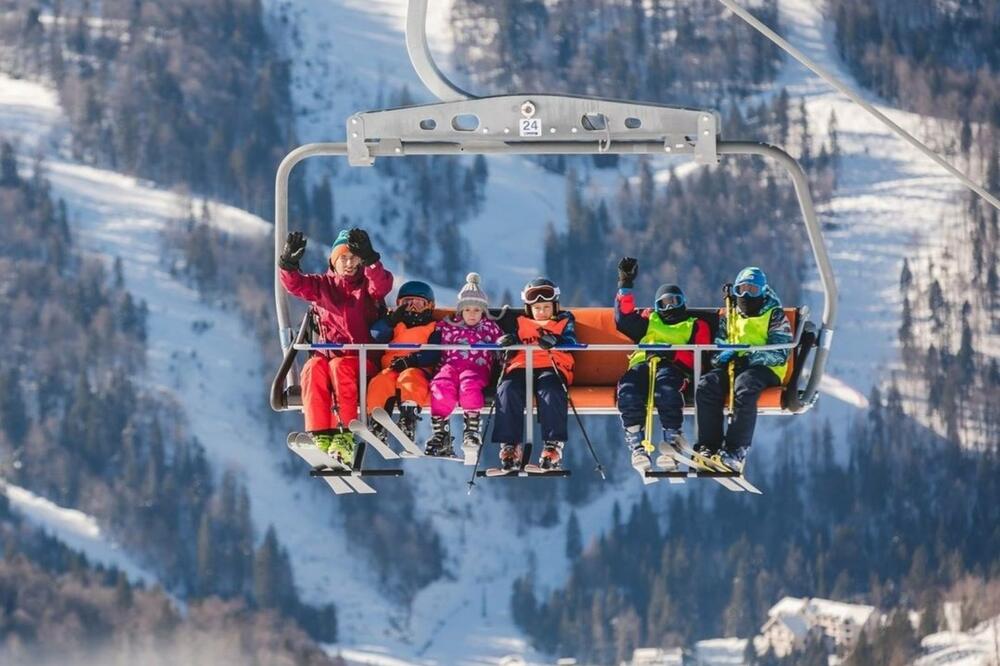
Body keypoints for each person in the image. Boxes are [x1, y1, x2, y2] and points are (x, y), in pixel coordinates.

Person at [279, 228, 392, 464]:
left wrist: (372, 260)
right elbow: (296, 285)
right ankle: (320, 433)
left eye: (354, 258)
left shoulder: (367, 288)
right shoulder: (322, 286)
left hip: (362, 363)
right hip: (330, 359)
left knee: (339, 367)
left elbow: (382, 286)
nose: (349, 264)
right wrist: (288, 264)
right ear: (334, 260)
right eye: (344, 258)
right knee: (312, 368)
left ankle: (345, 434)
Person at [613, 257, 711, 473]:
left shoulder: (693, 324)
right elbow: (624, 320)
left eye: (674, 302)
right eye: (664, 304)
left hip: (673, 366)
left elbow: (700, 354)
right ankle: (637, 443)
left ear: (683, 302)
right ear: (656, 307)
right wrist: (625, 285)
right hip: (644, 363)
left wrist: (672, 352)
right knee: (628, 390)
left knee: (666, 390)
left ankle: (672, 439)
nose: (670, 307)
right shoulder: (650, 320)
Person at [695, 266, 792, 471]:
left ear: (763, 292)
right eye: (742, 290)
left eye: (752, 290)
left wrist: (749, 355)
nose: (746, 295)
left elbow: (780, 352)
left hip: (766, 369)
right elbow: (716, 354)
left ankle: (735, 449)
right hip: (734, 366)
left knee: (744, 386)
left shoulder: (774, 315)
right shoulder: (731, 315)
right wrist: (724, 356)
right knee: (707, 385)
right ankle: (708, 446)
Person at [493, 277, 577, 471]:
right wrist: (507, 342)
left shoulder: (564, 320)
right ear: (529, 309)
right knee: (507, 389)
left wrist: (556, 340)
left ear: (555, 306)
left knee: (551, 390)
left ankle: (553, 445)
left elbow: (572, 341)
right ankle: (510, 445)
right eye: (537, 308)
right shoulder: (521, 322)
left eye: (546, 307)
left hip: (552, 365)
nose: (542, 312)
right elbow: (510, 342)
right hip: (522, 366)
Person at [426, 273, 505, 457]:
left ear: (483, 311)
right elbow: (433, 339)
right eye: (467, 310)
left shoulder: (489, 328)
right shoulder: (448, 326)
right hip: (451, 365)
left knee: (469, 385)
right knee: (441, 384)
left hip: (476, 367)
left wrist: (503, 360)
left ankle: (471, 428)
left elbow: (502, 347)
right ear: (460, 310)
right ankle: (440, 431)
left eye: (477, 310)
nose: (472, 314)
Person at [367, 280, 441, 445]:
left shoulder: (433, 328)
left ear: (430, 306)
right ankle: (377, 420)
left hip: (418, 369)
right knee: (380, 381)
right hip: (392, 368)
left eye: (418, 304)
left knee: (410, 378)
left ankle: (408, 418)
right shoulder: (396, 325)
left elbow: (434, 352)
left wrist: (412, 360)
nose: (412, 308)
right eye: (407, 303)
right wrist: (390, 321)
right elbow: (376, 334)